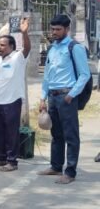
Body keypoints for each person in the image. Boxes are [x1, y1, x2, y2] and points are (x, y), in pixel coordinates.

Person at [38, 14, 91, 184]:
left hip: (66, 96)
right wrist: (42, 97)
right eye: (52, 29)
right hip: (52, 96)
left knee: (71, 135)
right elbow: (47, 75)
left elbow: (84, 74)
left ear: (67, 29)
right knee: (56, 133)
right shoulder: (52, 48)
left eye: (58, 29)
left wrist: (71, 94)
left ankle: (70, 172)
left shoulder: (75, 47)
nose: (54, 32)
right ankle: (56, 166)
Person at [0, 18, 31, 172]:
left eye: (2, 45)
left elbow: (27, 48)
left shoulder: (18, 58)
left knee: (11, 132)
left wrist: (24, 33)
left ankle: (12, 161)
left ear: (11, 46)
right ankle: (0, 158)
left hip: (11, 101)